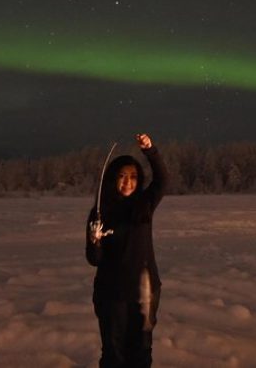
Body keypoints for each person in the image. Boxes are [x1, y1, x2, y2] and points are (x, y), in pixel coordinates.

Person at [86, 133, 168, 368]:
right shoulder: (100, 211)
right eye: (122, 176)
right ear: (113, 179)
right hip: (111, 293)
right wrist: (95, 241)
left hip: (145, 290)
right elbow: (94, 259)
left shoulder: (145, 204)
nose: (127, 182)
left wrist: (150, 150)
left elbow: (163, 181)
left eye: (133, 177)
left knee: (141, 351)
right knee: (113, 353)